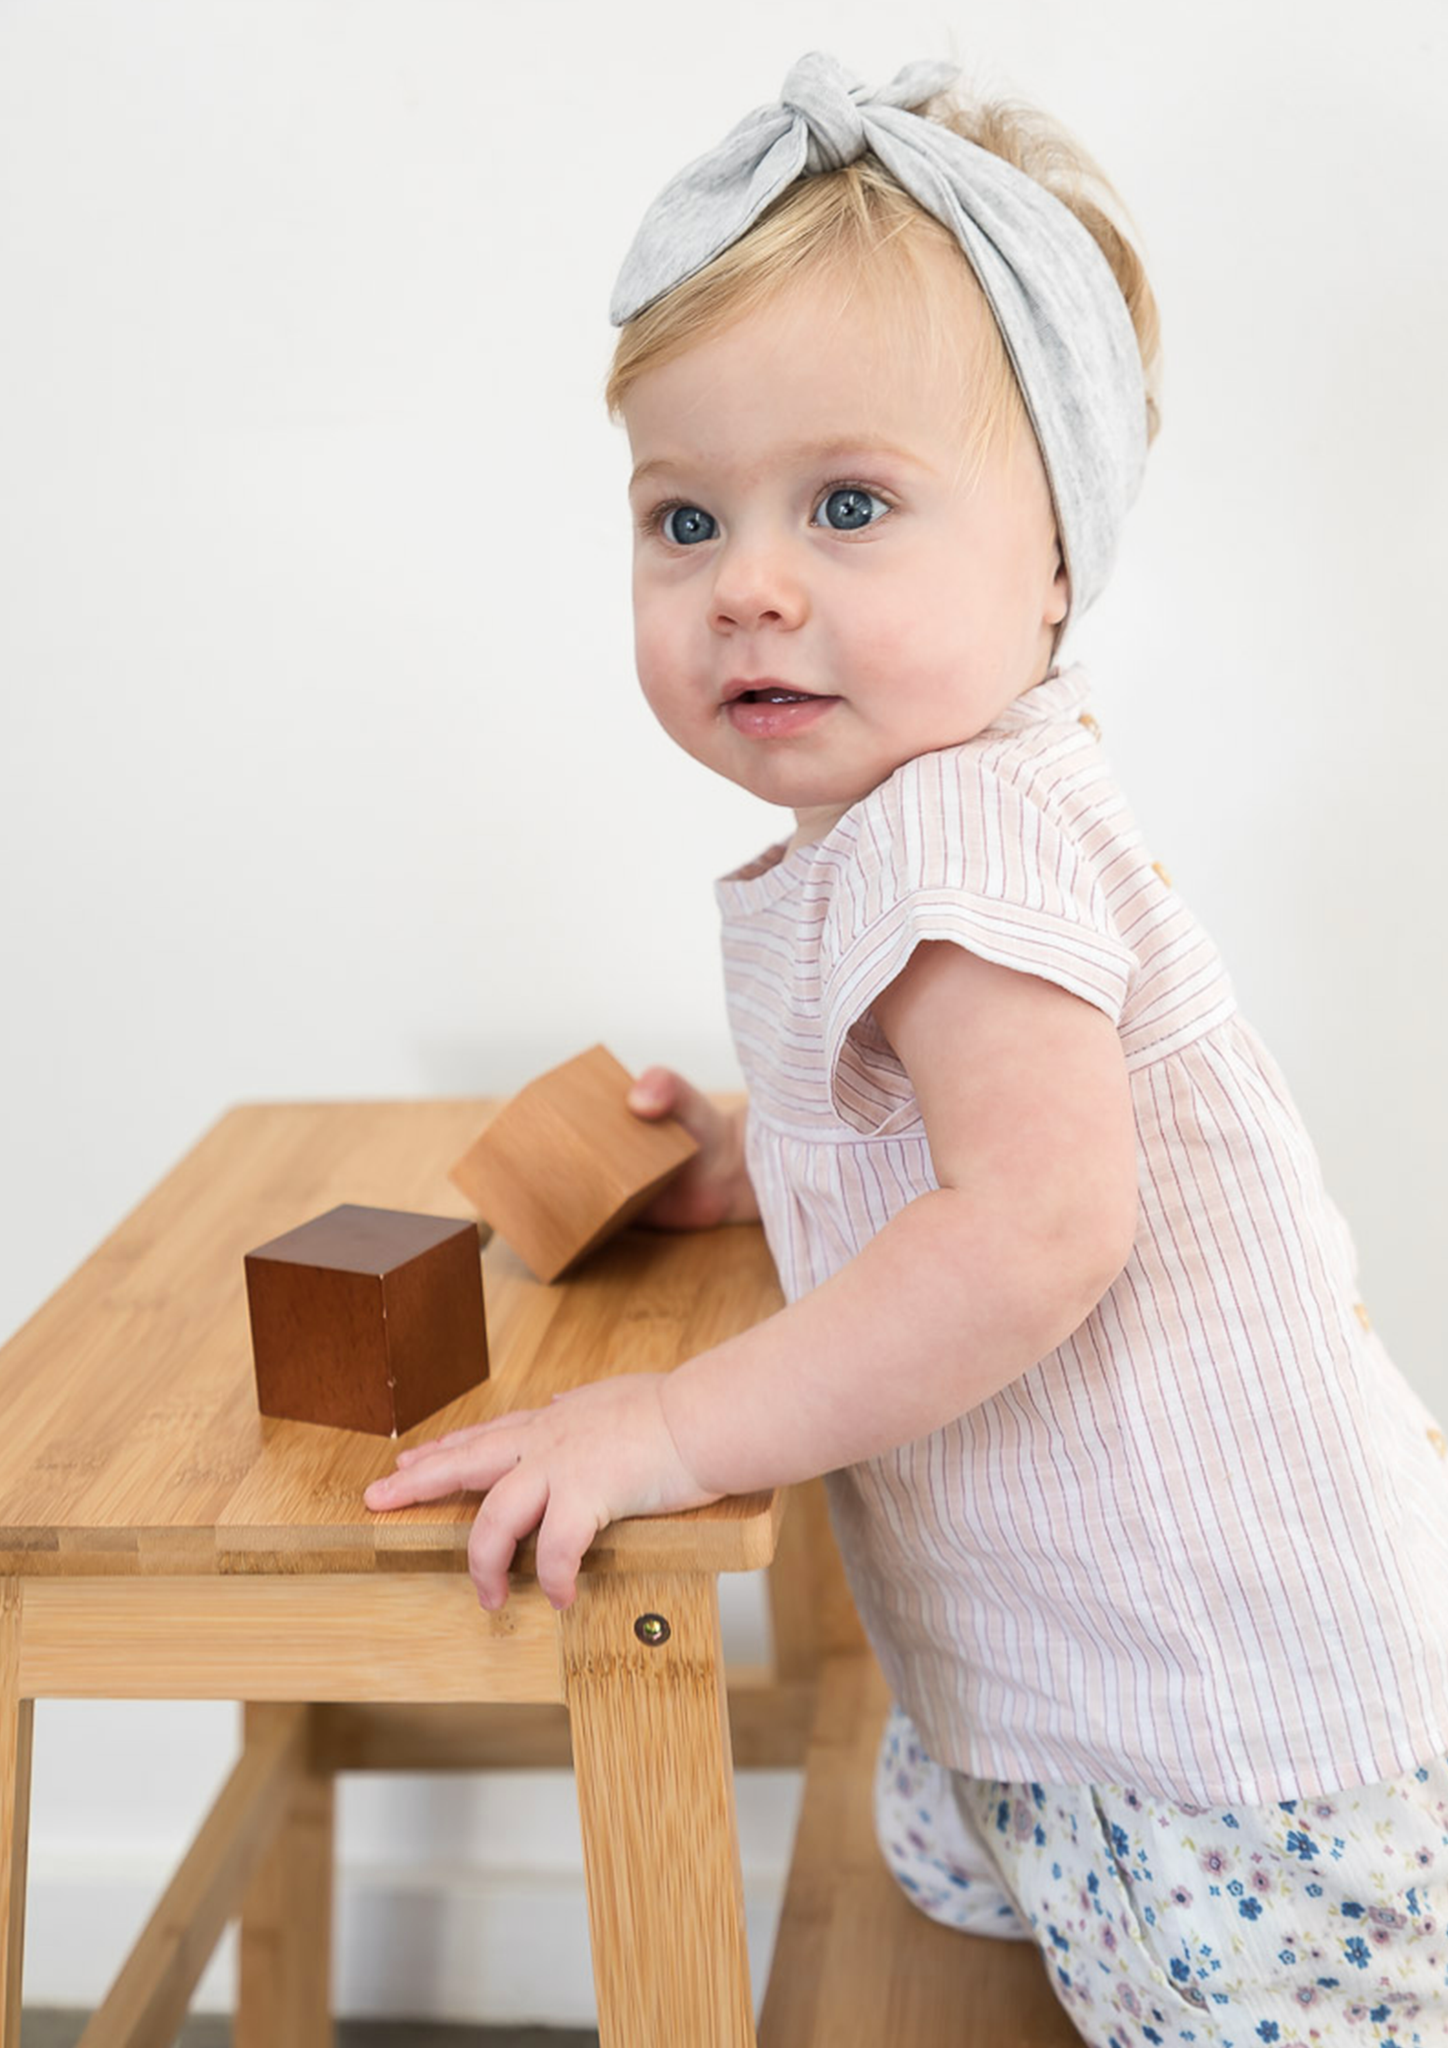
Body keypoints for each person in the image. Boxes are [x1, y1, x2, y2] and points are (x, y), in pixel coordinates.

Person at [366, 54, 1448, 2043]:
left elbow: (1037, 1225)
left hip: (1220, 1721)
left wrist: (665, 1431)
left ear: (1055, 560)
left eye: (848, 503)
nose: (748, 580)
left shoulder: (959, 828)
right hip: (1070, 1666)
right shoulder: (898, 822)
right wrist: (750, 1146)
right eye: (682, 517)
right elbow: (937, 1142)